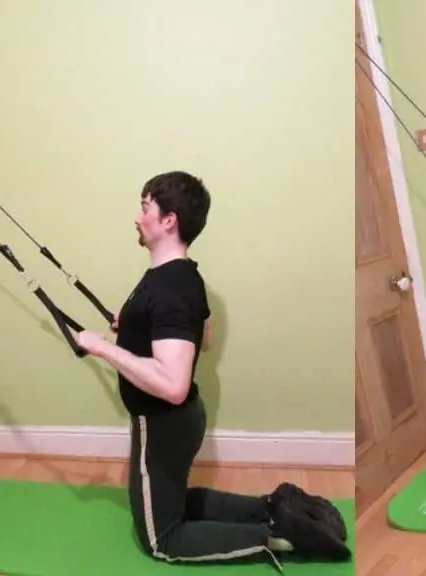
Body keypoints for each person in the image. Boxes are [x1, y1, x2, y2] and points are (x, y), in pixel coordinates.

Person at [73, 171, 349, 569]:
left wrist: (101, 348)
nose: (137, 216)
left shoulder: (168, 288)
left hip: (163, 421)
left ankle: (281, 537)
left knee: (161, 538)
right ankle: (273, 508)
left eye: (145, 207)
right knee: (170, 501)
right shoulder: (183, 275)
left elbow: (172, 385)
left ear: (169, 220)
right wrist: (133, 325)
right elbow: (202, 337)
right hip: (179, 422)